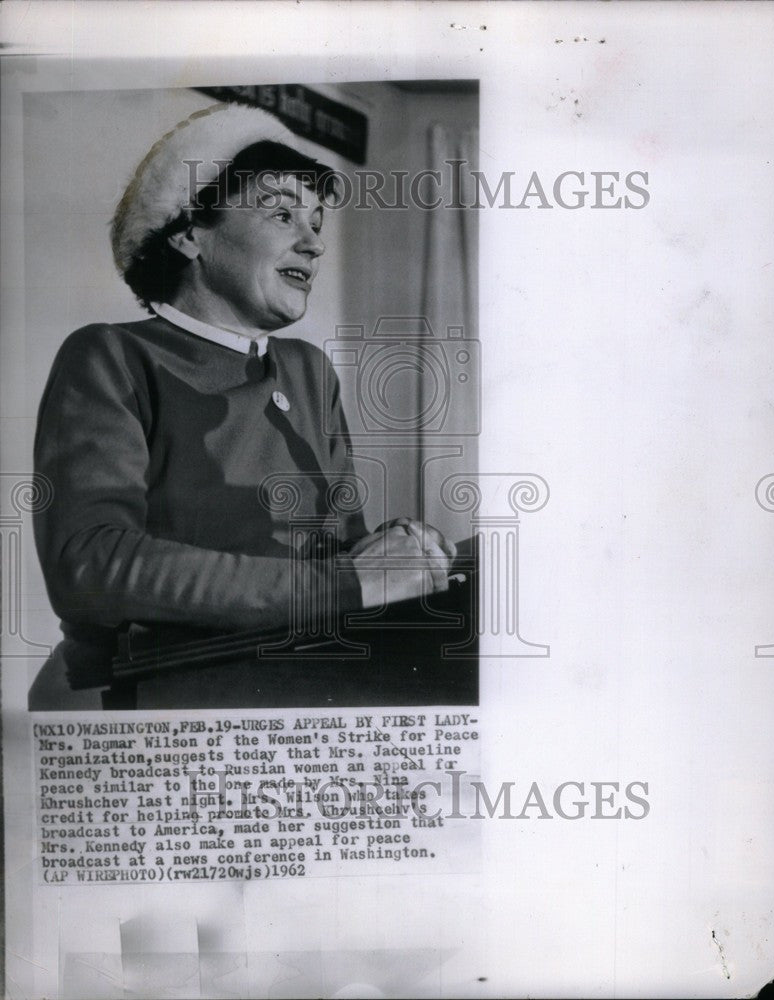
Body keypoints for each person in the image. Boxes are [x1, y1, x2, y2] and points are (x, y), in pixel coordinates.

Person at [28, 103, 455, 709]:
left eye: (315, 222)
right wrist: (339, 585)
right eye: (281, 214)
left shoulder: (309, 370)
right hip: (145, 698)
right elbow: (92, 565)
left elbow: (339, 553)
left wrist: (396, 551)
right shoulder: (111, 356)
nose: (313, 244)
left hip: (305, 674)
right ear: (188, 232)